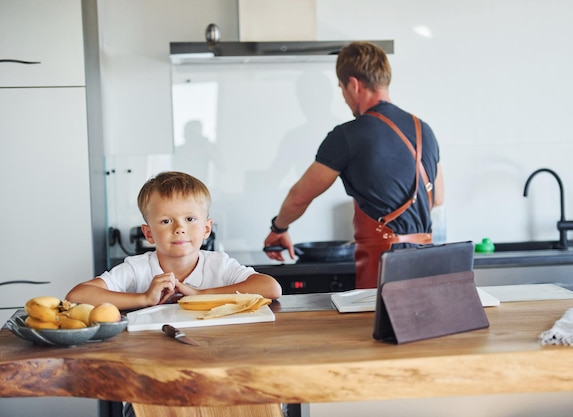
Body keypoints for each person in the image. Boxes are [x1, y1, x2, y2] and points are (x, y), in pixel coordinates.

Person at [263, 41, 444, 289]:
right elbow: (438, 197)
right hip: (427, 264)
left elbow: (298, 198)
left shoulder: (348, 135)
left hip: (384, 267)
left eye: (342, 88)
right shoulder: (423, 129)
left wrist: (278, 227)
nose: (345, 99)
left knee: (376, 327)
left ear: (354, 84)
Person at [67, 171, 282, 311]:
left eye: (189, 219)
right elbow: (77, 296)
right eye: (166, 221)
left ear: (206, 228)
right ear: (148, 233)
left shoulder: (219, 264)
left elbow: (271, 288)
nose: (179, 229)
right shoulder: (137, 269)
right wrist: (144, 298)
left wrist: (199, 295)